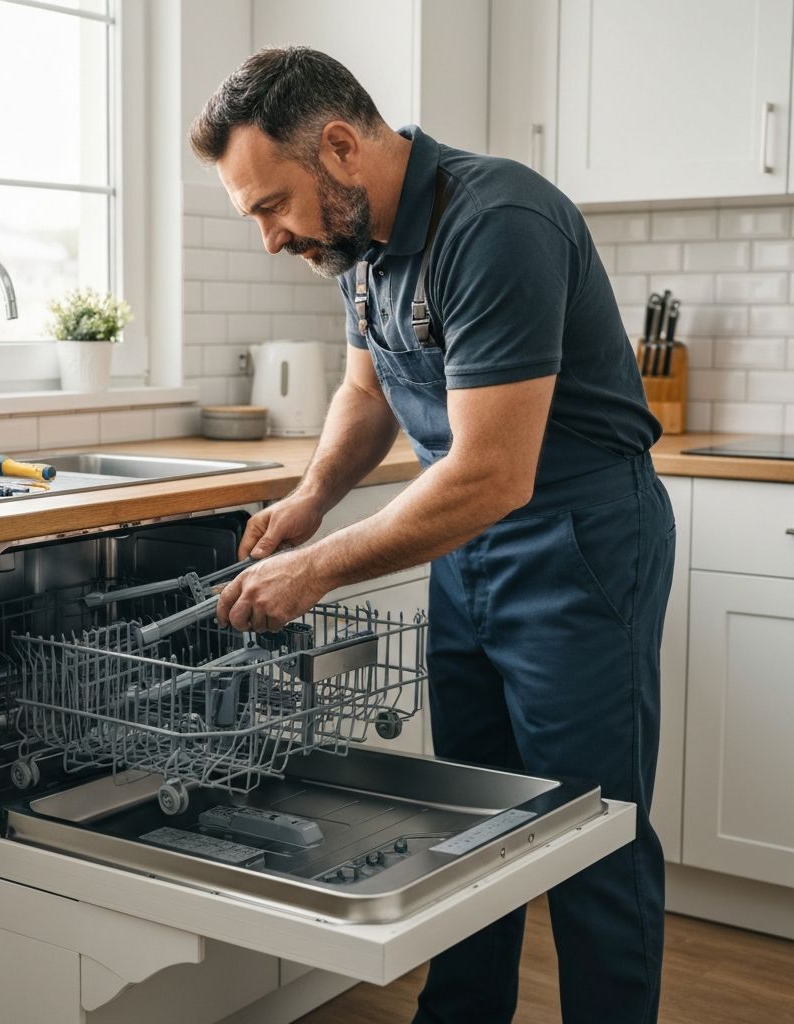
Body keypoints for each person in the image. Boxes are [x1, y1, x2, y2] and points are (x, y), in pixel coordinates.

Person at [190, 46, 674, 1024]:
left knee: (590, 829)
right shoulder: (355, 240)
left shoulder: (495, 222)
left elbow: (495, 471)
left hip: (575, 541)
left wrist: (315, 569)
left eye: (269, 206)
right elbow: (369, 388)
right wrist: (313, 497)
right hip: (469, 548)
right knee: (468, 820)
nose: (270, 240)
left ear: (336, 146)